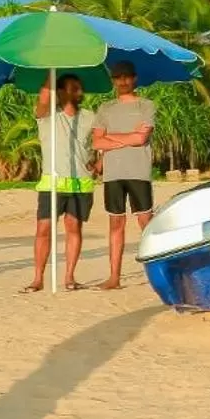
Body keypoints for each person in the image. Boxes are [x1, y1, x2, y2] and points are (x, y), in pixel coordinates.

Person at [90, 61, 155, 289]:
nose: (123, 81)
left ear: (134, 78)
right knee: (115, 223)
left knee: (146, 222)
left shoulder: (146, 106)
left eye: (127, 77)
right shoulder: (105, 108)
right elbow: (97, 141)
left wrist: (112, 139)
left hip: (138, 171)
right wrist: (129, 137)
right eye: (118, 77)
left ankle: (155, 272)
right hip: (113, 174)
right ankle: (114, 277)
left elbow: (141, 139)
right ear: (113, 80)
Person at [27, 73, 92, 292]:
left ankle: (70, 277)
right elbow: (44, 98)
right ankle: (38, 278)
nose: (79, 92)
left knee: (74, 227)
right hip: (51, 183)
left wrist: (99, 164)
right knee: (43, 229)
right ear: (61, 91)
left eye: (80, 88)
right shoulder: (47, 117)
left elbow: (104, 138)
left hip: (80, 183)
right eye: (74, 88)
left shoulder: (90, 117)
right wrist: (49, 69)